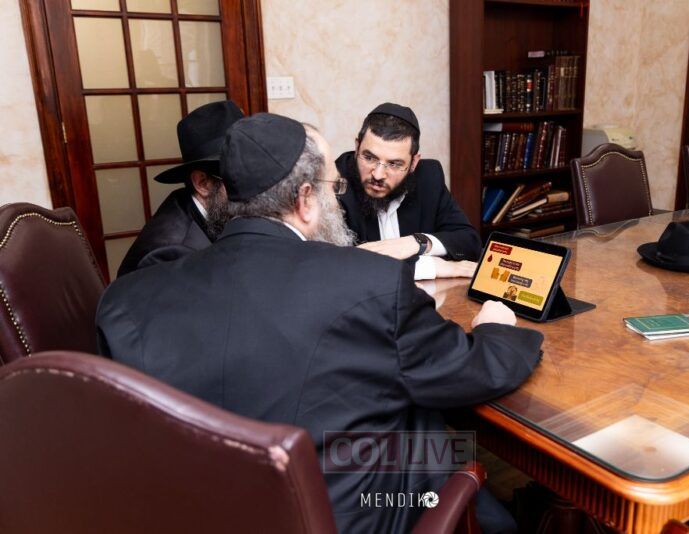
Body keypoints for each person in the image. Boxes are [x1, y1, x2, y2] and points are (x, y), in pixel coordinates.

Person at [96, 113, 543, 533]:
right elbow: (473, 370)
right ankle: (488, 514)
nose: (338, 196)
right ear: (305, 199)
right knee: (421, 419)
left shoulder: (126, 300)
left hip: (197, 514)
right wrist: (496, 326)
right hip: (338, 515)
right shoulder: (372, 283)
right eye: (334, 185)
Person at [336, 102, 482, 280]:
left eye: (394, 164)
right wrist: (432, 267)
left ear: (413, 163)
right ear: (357, 147)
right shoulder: (335, 184)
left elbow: (469, 242)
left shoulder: (429, 177)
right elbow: (339, 266)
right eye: (369, 157)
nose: (378, 174)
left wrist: (417, 242)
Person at [116, 100, 244, 277]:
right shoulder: (171, 253)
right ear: (202, 183)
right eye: (238, 178)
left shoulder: (215, 209)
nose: (251, 188)